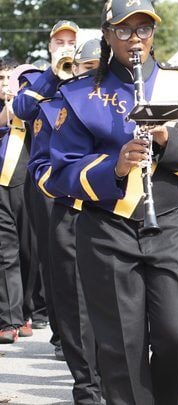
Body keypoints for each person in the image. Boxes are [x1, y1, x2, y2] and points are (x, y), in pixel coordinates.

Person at [48, 0, 178, 404]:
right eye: (123, 29)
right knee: (121, 348)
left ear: (153, 34)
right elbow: (60, 172)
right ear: (108, 35)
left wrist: (169, 140)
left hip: (172, 224)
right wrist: (116, 166)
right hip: (107, 229)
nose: (134, 38)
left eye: (143, 28)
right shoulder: (78, 95)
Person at [26, 38, 103, 402]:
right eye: (83, 68)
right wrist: (66, 185)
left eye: (93, 68)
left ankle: (115, 374)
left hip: (115, 215)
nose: (87, 75)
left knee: (118, 303)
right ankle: (87, 385)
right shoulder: (53, 106)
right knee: (75, 305)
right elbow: (40, 166)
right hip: (70, 211)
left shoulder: (123, 105)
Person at [0, 58, 30, 344]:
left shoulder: (29, 103)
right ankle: (10, 319)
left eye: (9, 79)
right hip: (1, 186)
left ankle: (29, 309)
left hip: (26, 184)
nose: (4, 84)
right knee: (5, 251)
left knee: (29, 250)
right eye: (0, 79)